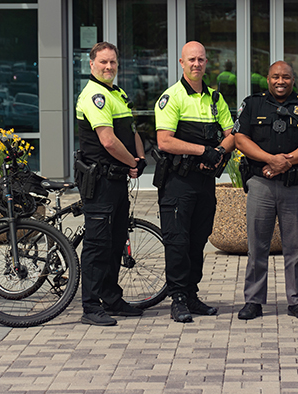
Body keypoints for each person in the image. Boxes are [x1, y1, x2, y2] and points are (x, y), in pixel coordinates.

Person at [234, 61, 298, 320]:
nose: (280, 81)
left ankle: (296, 300)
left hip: (294, 186)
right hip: (261, 184)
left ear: (293, 79)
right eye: (275, 76)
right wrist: (269, 159)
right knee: (257, 246)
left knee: (294, 247)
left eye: (286, 77)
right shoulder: (252, 104)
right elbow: (240, 138)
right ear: (267, 78)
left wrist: (287, 160)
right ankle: (253, 300)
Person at [154, 41, 235, 323]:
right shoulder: (172, 97)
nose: (196, 64)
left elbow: (231, 133)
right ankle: (176, 298)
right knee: (177, 241)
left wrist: (219, 152)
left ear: (206, 62)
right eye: (191, 59)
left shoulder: (215, 98)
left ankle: (191, 294)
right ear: (181, 62)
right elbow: (164, 141)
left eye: (201, 59)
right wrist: (203, 150)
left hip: (204, 182)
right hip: (178, 182)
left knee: (198, 240)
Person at [75, 41, 147, 326]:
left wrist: (139, 158)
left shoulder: (117, 93)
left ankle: (112, 299)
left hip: (116, 182)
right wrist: (131, 161)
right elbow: (107, 140)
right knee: (97, 245)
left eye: (113, 62)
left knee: (116, 242)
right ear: (91, 64)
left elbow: (130, 132)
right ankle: (91, 307)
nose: (108, 67)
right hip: (101, 181)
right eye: (103, 62)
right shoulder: (94, 95)